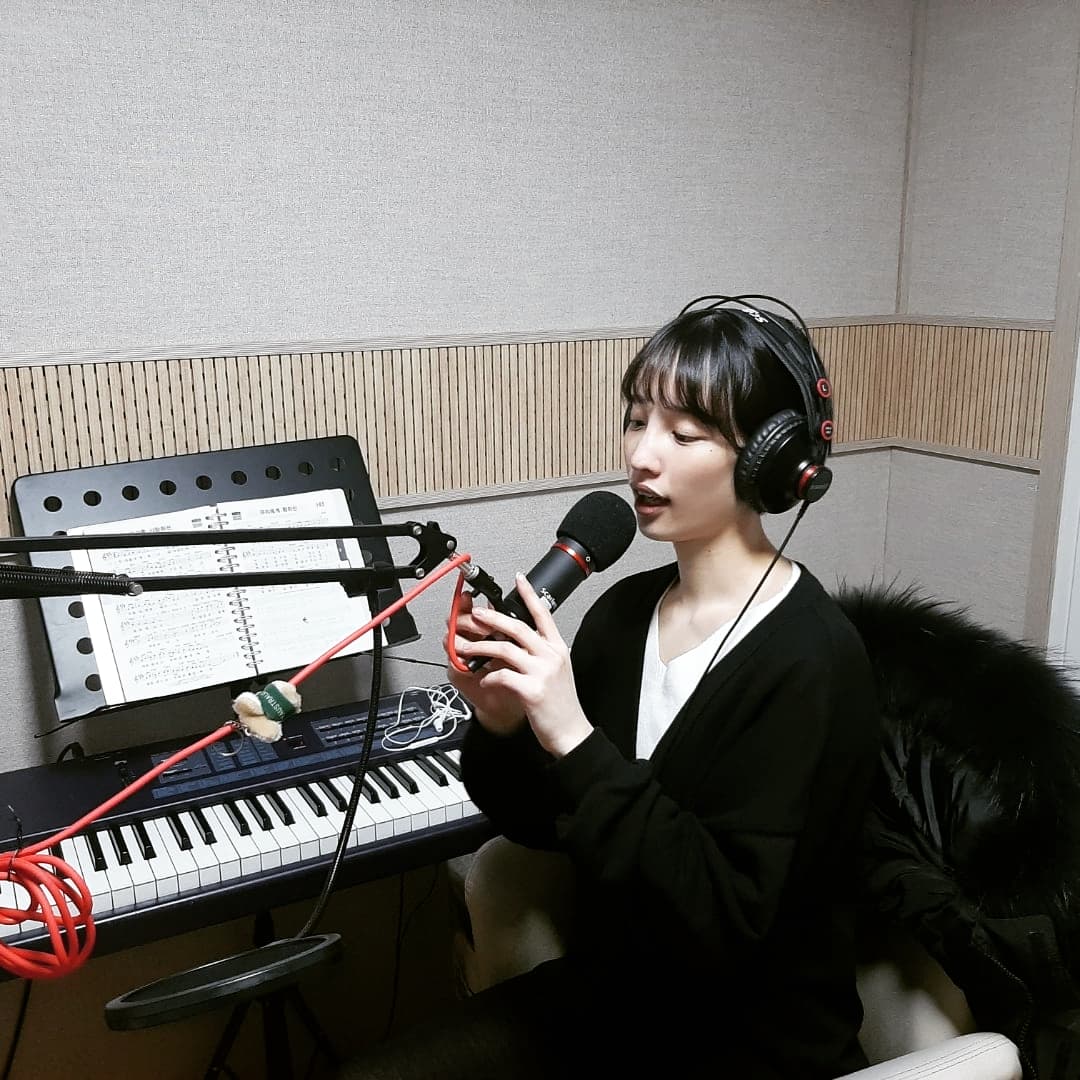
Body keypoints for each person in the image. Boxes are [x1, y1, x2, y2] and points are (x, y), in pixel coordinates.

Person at [339, 297, 880, 1079]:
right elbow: (546, 824)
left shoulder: (813, 658)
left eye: (684, 435)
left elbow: (723, 922)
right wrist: (503, 725)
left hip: (747, 1039)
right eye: (636, 421)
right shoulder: (625, 614)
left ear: (769, 460)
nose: (642, 456)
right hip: (615, 1005)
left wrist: (573, 736)